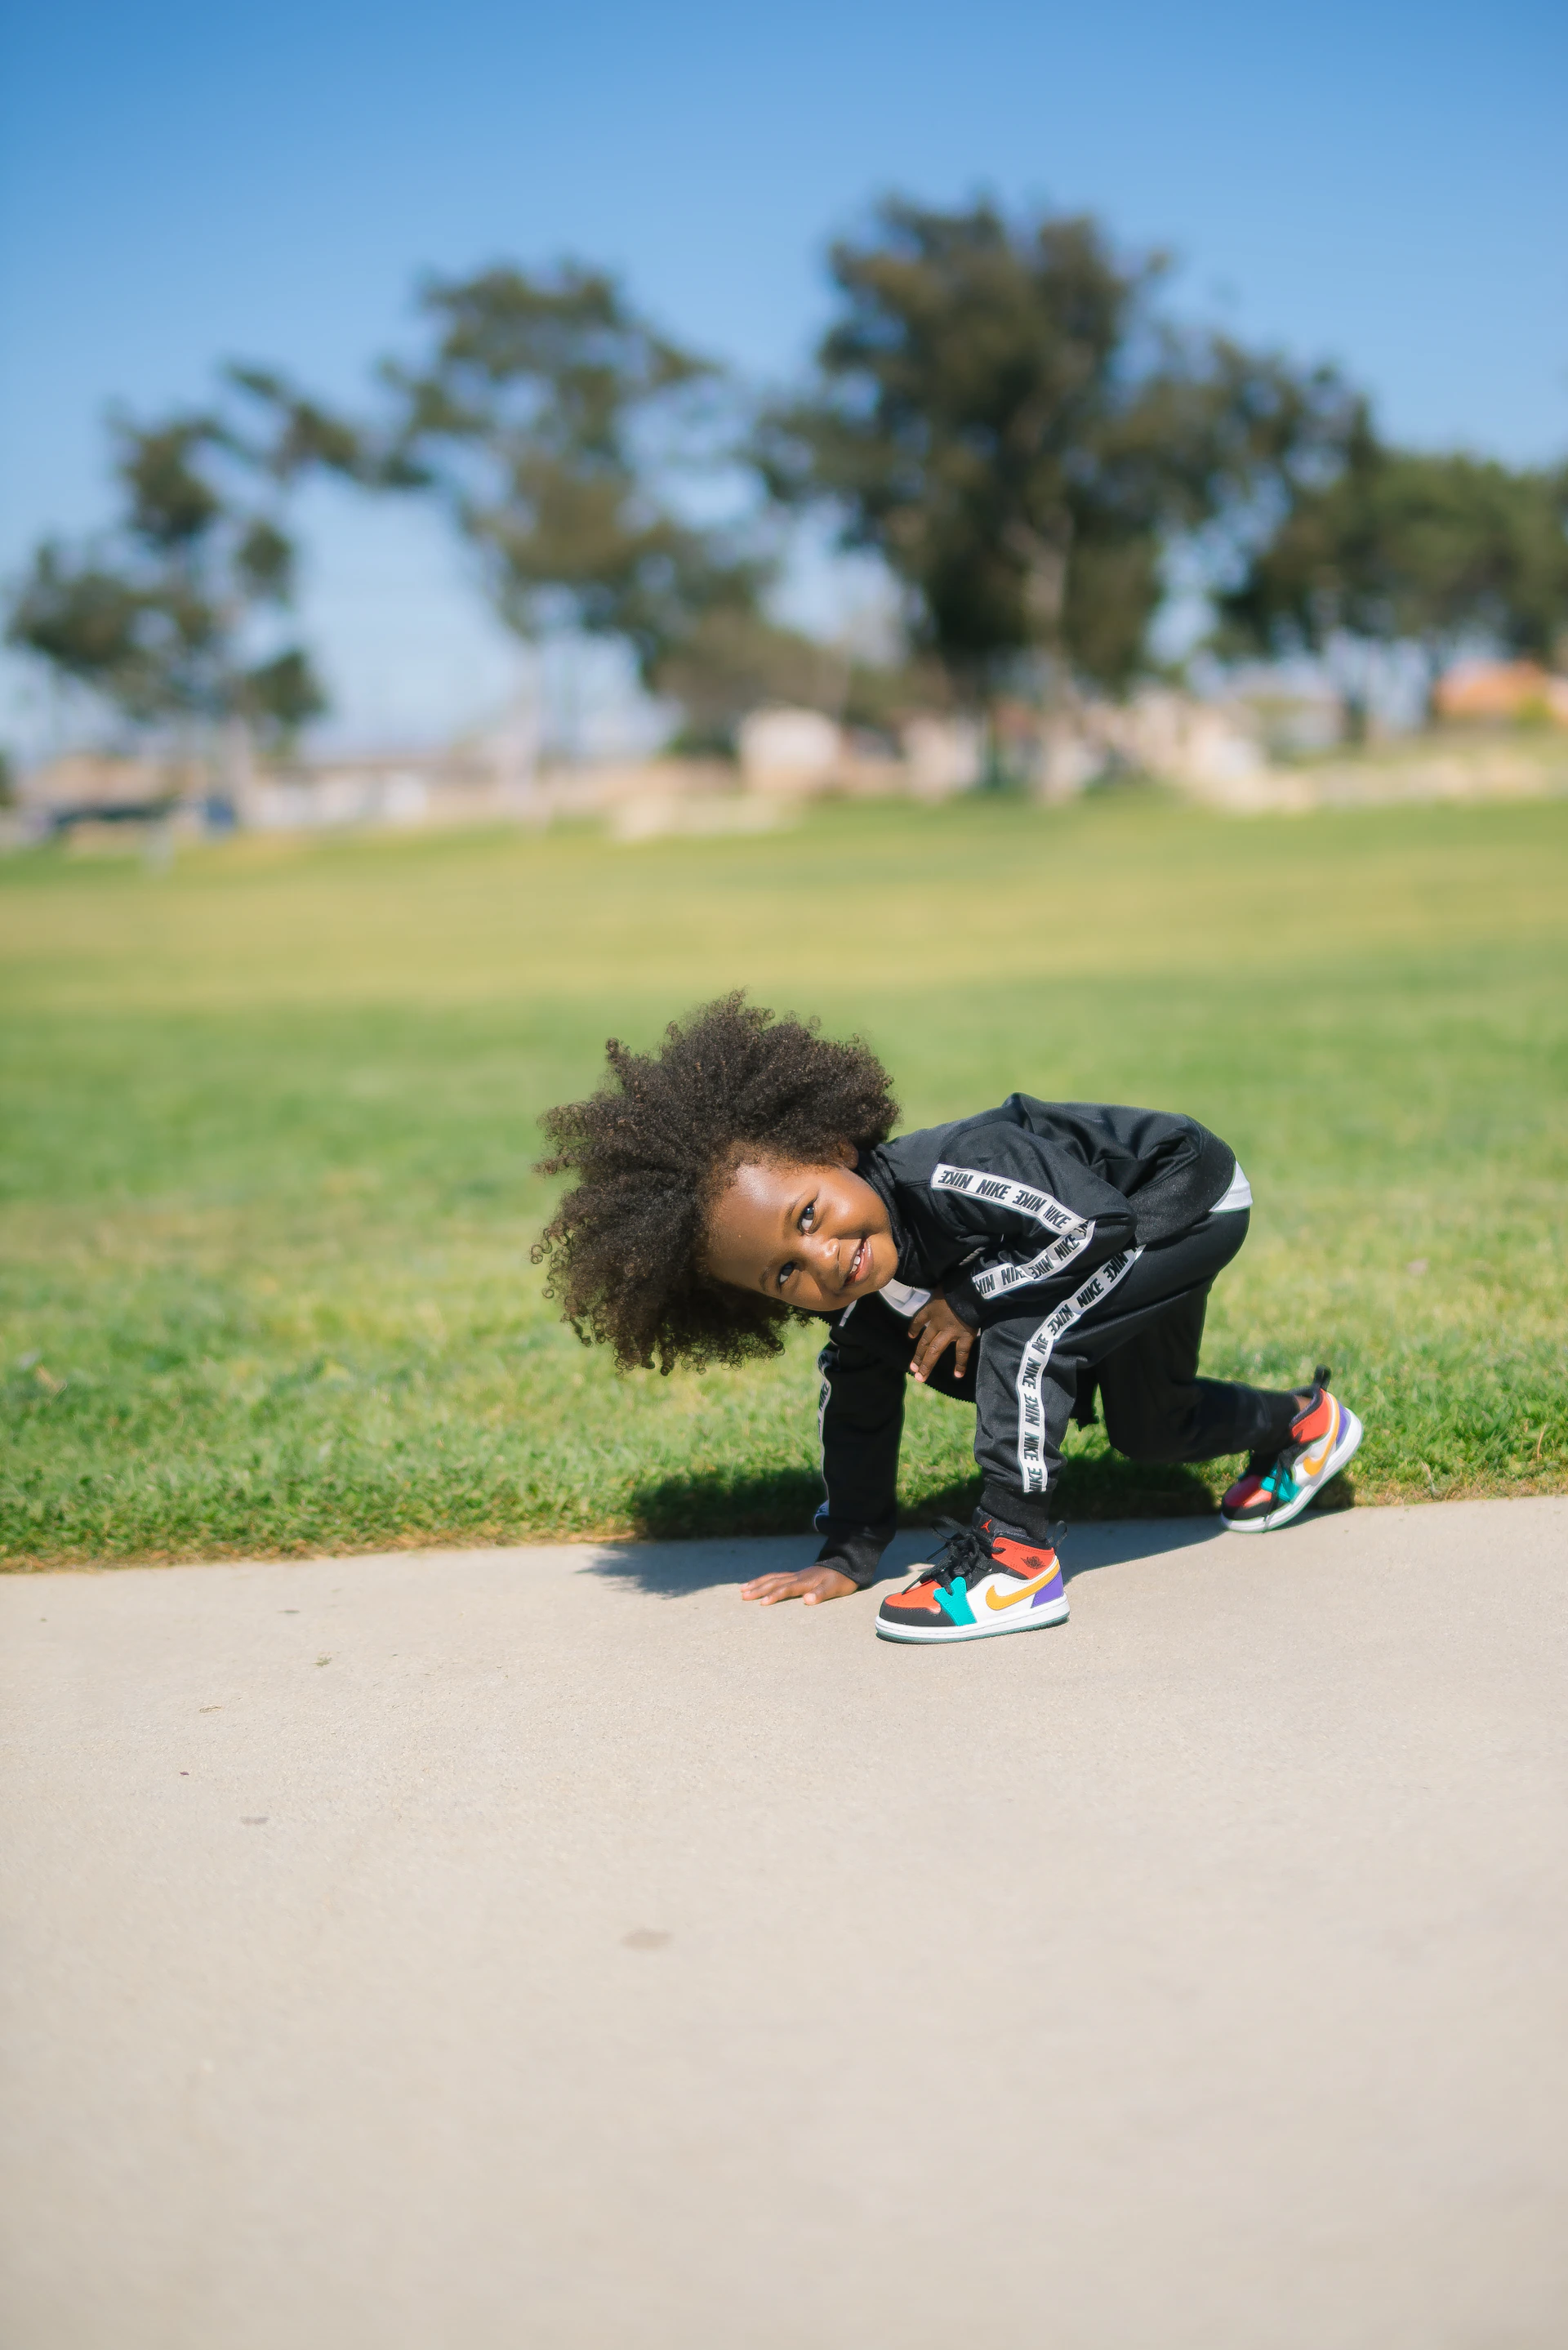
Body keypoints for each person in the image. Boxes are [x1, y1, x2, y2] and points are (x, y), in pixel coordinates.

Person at [533, 996, 1361, 1646]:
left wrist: (968, 1299)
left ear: (833, 1146)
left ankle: (1015, 1560)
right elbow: (857, 1415)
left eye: (811, 1214)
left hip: (1180, 1198)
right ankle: (1304, 1425)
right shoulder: (860, 1313)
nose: (822, 1260)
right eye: (785, 1271)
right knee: (1154, 1425)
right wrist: (850, 1555)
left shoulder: (951, 1172)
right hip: (1109, 1241)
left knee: (1021, 1330)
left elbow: (1092, 1226)